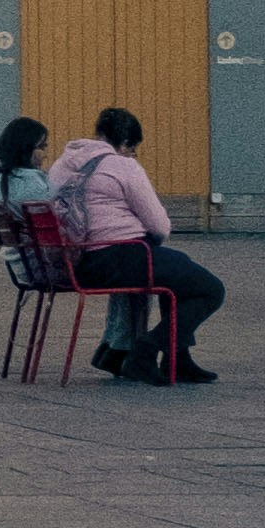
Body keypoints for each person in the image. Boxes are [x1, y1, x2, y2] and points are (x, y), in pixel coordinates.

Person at [47, 104, 222, 386]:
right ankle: (146, 350)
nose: (132, 154)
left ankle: (178, 358)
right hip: (120, 257)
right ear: (126, 143)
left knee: (179, 269)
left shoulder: (62, 165)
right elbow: (159, 224)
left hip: (77, 261)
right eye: (132, 147)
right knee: (210, 290)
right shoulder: (123, 166)